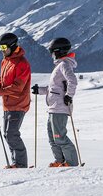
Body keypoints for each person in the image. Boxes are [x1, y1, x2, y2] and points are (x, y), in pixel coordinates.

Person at [0, 32, 31, 169]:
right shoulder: (6, 61)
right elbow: (3, 82)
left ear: (12, 46)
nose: (2, 51)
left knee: (12, 134)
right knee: (7, 134)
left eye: (4, 47)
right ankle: (15, 162)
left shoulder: (22, 64)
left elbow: (18, 87)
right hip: (8, 104)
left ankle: (20, 164)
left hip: (18, 103)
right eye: (0, 48)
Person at [31, 37, 79, 167]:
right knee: (53, 138)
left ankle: (71, 163)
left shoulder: (64, 65)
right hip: (53, 108)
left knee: (59, 137)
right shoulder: (59, 65)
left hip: (60, 107)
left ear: (58, 51)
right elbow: (53, 89)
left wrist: (69, 95)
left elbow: (73, 81)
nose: (51, 55)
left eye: (52, 51)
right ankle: (60, 161)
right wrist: (39, 90)